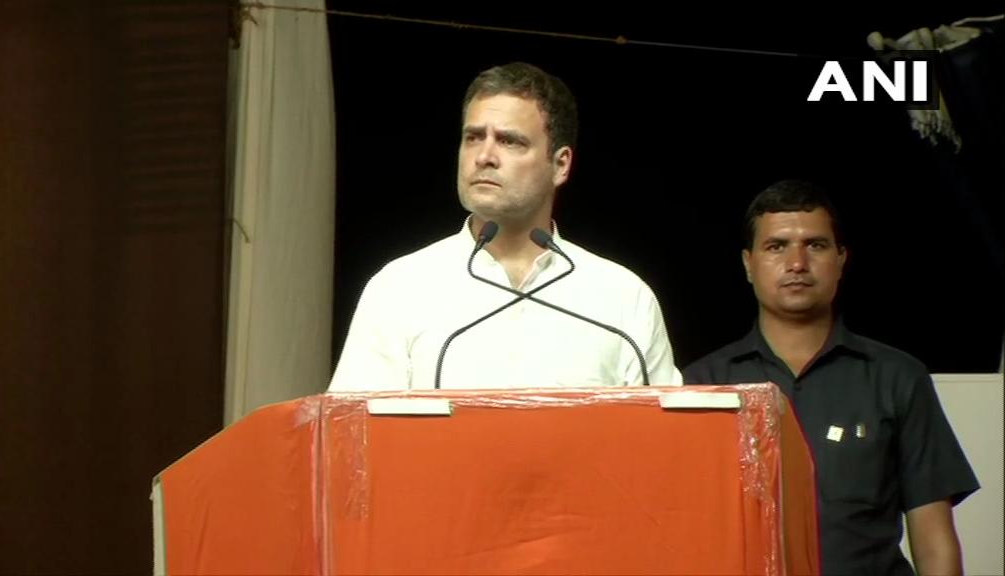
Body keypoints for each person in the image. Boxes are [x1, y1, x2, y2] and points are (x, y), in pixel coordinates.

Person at [683, 180, 979, 576]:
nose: (797, 263)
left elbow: (933, 535)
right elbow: (682, 523)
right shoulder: (703, 384)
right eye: (777, 246)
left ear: (841, 259)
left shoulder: (897, 376)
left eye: (816, 245)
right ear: (747, 263)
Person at [328, 62, 681, 391]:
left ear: (560, 165)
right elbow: (351, 436)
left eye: (510, 141)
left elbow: (666, 442)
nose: (485, 156)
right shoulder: (399, 288)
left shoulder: (623, 299)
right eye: (474, 137)